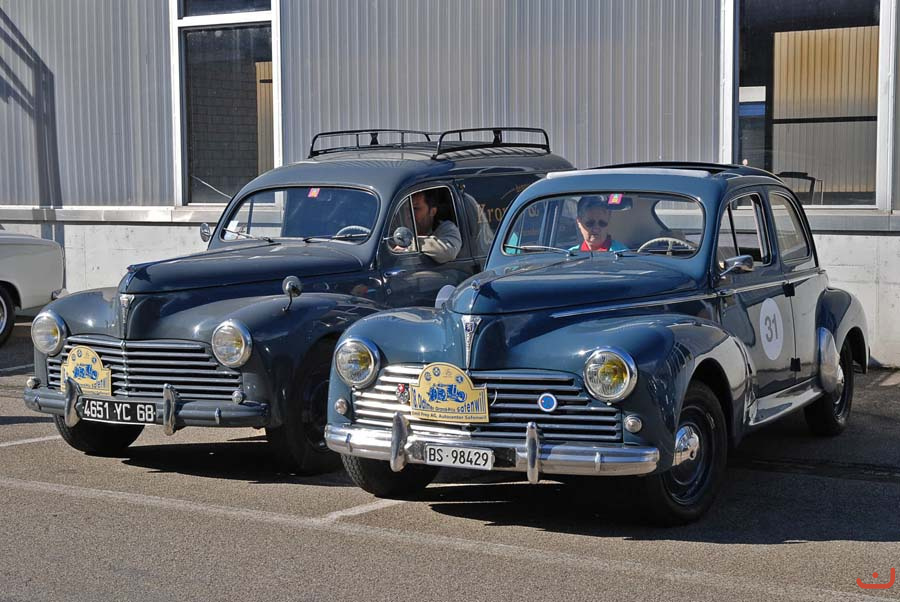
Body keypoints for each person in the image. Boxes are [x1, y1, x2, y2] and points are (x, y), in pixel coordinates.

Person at [410, 190, 462, 263]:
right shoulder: (400, 228)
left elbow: (449, 252)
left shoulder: (447, 228)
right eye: (406, 208)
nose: (409, 213)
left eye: (415, 208)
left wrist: (410, 244)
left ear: (432, 211)